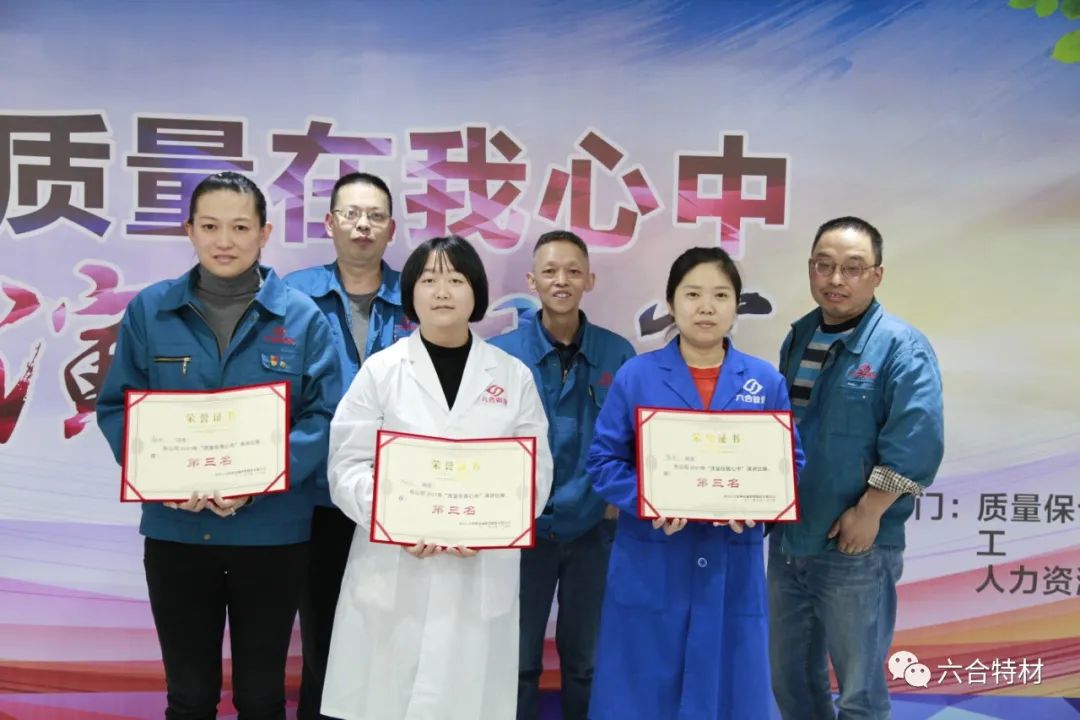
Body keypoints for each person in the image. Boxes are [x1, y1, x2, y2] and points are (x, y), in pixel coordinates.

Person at [96, 171, 338, 720]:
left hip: (271, 535)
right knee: (189, 695)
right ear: (189, 231)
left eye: (240, 227)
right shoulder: (150, 310)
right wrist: (161, 479)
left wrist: (260, 479)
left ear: (264, 233)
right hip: (176, 531)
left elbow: (324, 416)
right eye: (209, 226)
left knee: (262, 696)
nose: (224, 240)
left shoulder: (301, 317)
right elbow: (116, 406)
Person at [321, 235, 554, 720]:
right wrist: (397, 519)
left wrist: (487, 527)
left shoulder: (512, 376)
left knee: (466, 701)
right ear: (411, 292)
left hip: (478, 571)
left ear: (476, 292)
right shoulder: (382, 371)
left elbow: (533, 473)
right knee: (386, 701)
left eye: (456, 279)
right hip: (394, 570)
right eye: (428, 279)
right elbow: (346, 466)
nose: (442, 291)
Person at [586, 247, 804, 720]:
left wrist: (758, 504)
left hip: (731, 560)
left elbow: (791, 462)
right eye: (692, 294)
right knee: (642, 694)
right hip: (652, 561)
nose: (706, 307)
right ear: (671, 302)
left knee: (728, 692)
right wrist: (649, 499)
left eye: (720, 295)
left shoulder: (764, 380)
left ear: (736, 305)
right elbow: (603, 461)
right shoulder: (637, 375)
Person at [768, 216, 944, 720]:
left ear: (876, 275)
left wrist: (869, 512)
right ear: (810, 268)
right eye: (824, 265)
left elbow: (917, 441)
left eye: (852, 268)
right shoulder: (800, 335)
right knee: (792, 683)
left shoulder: (901, 347)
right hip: (789, 540)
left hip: (855, 546)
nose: (835, 279)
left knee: (859, 694)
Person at [488, 230, 634, 720]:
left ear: (590, 280)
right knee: (517, 660)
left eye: (573, 271)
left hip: (593, 529)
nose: (561, 281)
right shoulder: (500, 354)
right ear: (532, 281)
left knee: (586, 661)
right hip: (521, 532)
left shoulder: (617, 354)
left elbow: (635, 439)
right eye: (549, 271)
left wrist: (614, 503)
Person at [283, 171, 411, 720]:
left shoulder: (419, 294)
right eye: (352, 214)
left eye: (375, 216)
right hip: (316, 499)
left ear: (391, 229)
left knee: (395, 641)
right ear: (329, 223)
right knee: (324, 642)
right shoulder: (292, 294)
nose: (363, 226)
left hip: (402, 499)